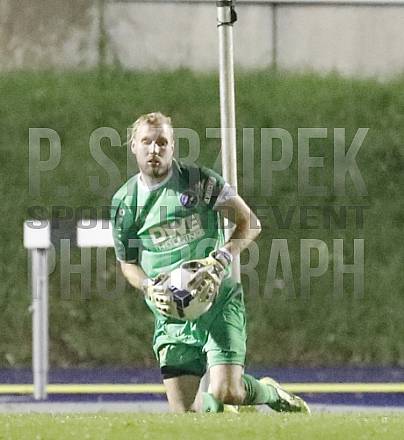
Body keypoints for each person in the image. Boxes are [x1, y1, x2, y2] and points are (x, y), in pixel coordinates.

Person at [111, 111, 310, 414]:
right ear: (133, 146)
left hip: (215, 299)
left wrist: (222, 258)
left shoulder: (198, 181)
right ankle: (223, 409)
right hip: (170, 313)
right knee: (188, 412)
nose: (154, 149)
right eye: (147, 142)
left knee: (228, 391)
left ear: (173, 146)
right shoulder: (125, 203)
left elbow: (250, 223)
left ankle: (271, 393)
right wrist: (148, 286)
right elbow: (128, 264)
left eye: (162, 142)